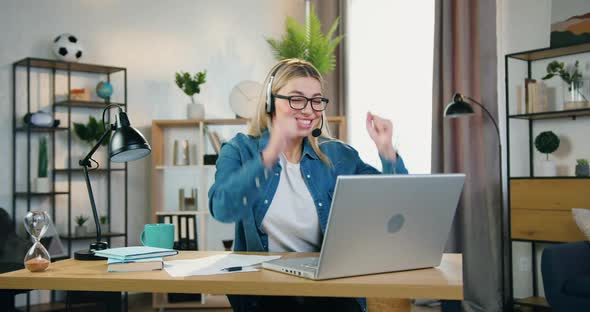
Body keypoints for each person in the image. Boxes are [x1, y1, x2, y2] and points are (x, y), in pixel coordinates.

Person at [208, 58, 408, 312]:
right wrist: (269, 155)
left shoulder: (338, 155)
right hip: (265, 294)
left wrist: (386, 150)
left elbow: (393, 204)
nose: (309, 109)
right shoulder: (239, 149)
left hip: (329, 291)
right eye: (296, 99)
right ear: (271, 103)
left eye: (316, 100)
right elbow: (222, 208)